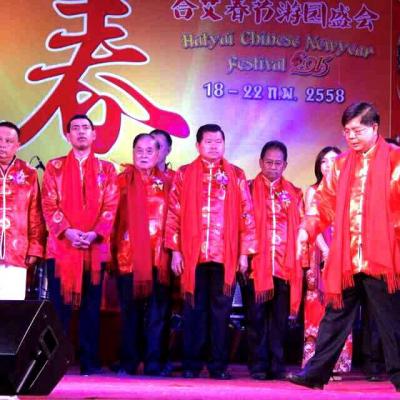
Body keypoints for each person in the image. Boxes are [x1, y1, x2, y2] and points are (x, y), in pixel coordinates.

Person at [289, 102, 400, 391]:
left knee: (392, 323)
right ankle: (315, 374)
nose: (351, 136)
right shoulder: (340, 165)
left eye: (357, 131)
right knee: (334, 318)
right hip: (348, 259)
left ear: (375, 128)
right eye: (347, 131)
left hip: (382, 259)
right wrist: (306, 231)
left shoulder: (394, 160)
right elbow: (323, 204)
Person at [165, 123, 257, 379]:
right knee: (193, 310)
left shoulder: (235, 174)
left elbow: (246, 214)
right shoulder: (184, 173)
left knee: (221, 313)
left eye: (218, 142)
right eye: (209, 142)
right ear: (198, 145)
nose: (214, 146)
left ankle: (218, 366)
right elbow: (173, 213)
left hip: (224, 255)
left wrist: (243, 254)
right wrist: (175, 251)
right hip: (192, 255)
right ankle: (191, 364)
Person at [42, 114, 119, 375]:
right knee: (59, 309)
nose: (81, 132)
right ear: (68, 136)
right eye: (75, 128)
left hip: (93, 250)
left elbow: (111, 205)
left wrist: (95, 233)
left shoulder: (107, 169)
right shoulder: (54, 167)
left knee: (90, 309)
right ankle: (56, 363)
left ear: (94, 134)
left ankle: (89, 361)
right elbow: (48, 203)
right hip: (62, 249)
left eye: (86, 128)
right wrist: (68, 231)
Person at [111, 133, 172, 376]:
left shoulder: (169, 183)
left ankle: (154, 362)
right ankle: (129, 362)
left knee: (158, 313)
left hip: (159, 257)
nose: (144, 155)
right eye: (139, 150)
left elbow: (176, 219)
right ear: (133, 152)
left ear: (158, 154)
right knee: (130, 313)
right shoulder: (120, 182)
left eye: (149, 151)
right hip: (128, 256)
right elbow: (110, 218)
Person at [244, 140, 304, 380]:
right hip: (255, 266)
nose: (273, 167)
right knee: (256, 318)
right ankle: (258, 365)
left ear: (285, 165)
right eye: (268, 162)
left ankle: (277, 365)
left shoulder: (294, 193)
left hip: (284, 266)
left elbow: (301, 229)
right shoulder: (247, 189)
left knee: (279, 320)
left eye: (278, 163)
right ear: (260, 162)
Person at [302, 146, 353, 378]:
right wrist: (325, 251)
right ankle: (315, 366)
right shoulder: (313, 191)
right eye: (323, 161)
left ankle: (338, 364)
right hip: (319, 256)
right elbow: (313, 224)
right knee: (318, 309)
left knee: (341, 308)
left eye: (333, 160)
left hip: (343, 256)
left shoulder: (349, 191)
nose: (328, 165)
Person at [0, 121, 45, 300]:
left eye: (8, 141)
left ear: (18, 145)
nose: (2, 145)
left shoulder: (28, 173)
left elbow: (35, 213)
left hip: (17, 251)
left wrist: (35, 247)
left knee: (11, 308)